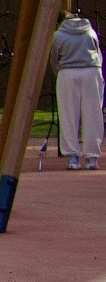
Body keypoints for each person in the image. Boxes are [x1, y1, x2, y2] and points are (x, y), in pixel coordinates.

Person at [53, 10, 101, 169]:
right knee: (93, 113)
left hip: (67, 72)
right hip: (92, 71)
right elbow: (98, 53)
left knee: (68, 114)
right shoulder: (90, 31)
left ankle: (72, 157)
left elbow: (54, 58)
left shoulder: (58, 35)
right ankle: (92, 158)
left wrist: (58, 73)